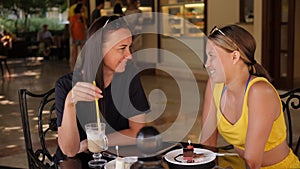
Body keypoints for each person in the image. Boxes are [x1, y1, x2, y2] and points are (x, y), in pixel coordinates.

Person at [200, 24, 300, 169]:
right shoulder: (214, 85)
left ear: (235, 56)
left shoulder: (259, 92)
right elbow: (207, 144)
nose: (206, 64)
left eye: (212, 56)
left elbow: (252, 161)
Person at [54, 15, 150, 162]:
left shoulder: (129, 77)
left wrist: (92, 142)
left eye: (129, 47)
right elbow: (69, 150)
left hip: (113, 159)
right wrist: (70, 103)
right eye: (122, 48)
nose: (129, 55)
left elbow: (137, 132)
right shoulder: (66, 85)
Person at [69, 3, 87, 69]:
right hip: (75, 36)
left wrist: (85, 36)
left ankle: (82, 67)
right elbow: (70, 28)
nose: (83, 9)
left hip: (82, 37)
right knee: (74, 53)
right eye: (82, 8)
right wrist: (72, 37)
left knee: (83, 53)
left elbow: (84, 28)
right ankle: (73, 67)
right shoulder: (73, 17)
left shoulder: (83, 18)